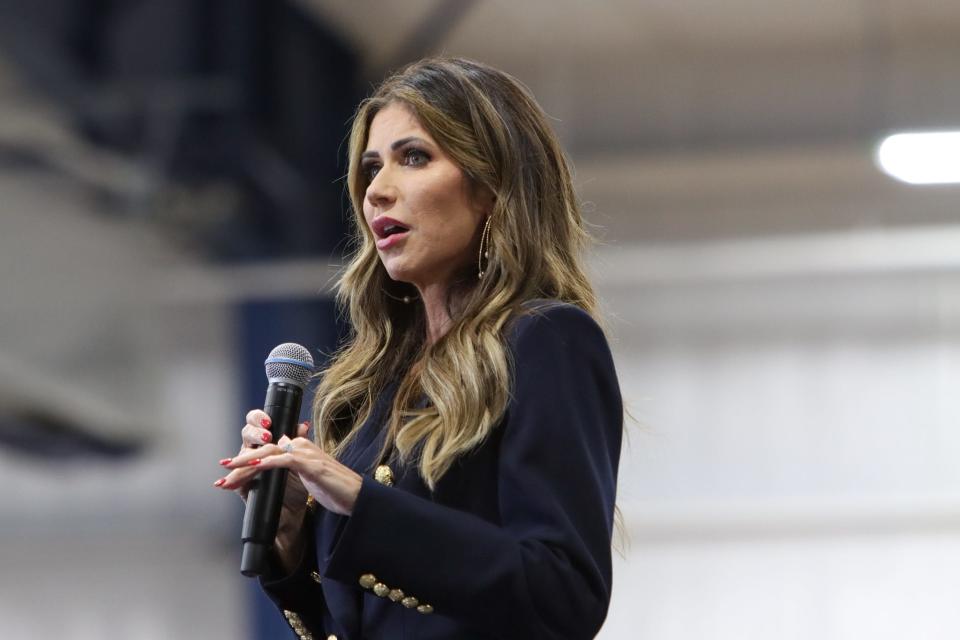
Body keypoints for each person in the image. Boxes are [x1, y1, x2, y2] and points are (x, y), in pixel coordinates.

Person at [214, 57, 623, 640]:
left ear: (492, 186)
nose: (377, 191)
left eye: (414, 158)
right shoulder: (371, 383)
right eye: (371, 168)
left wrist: (359, 501)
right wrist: (290, 536)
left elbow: (564, 595)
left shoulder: (546, 340)